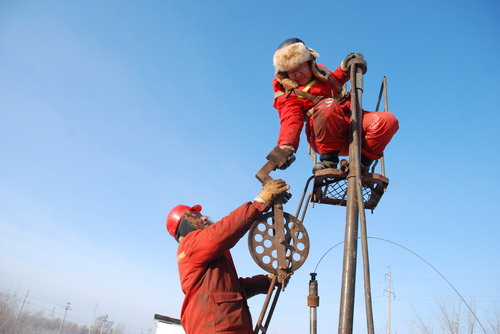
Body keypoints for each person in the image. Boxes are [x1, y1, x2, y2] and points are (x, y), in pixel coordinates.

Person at [166, 179, 290, 334]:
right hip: (216, 328)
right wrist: (260, 202)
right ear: (183, 225)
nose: (204, 218)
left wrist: (267, 281)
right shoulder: (190, 245)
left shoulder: (206, 254)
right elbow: (224, 230)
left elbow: (232, 290)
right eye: (195, 215)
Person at [271, 38, 399, 172]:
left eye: (300, 66)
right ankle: (329, 160)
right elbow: (290, 121)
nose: (297, 74)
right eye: (291, 71)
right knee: (328, 105)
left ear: (309, 62)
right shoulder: (290, 95)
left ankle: (361, 164)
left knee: (387, 120)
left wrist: (346, 65)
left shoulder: (322, 75)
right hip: (325, 138)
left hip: (351, 125)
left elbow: (337, 78)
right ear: (285, 74)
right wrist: (286, 147)